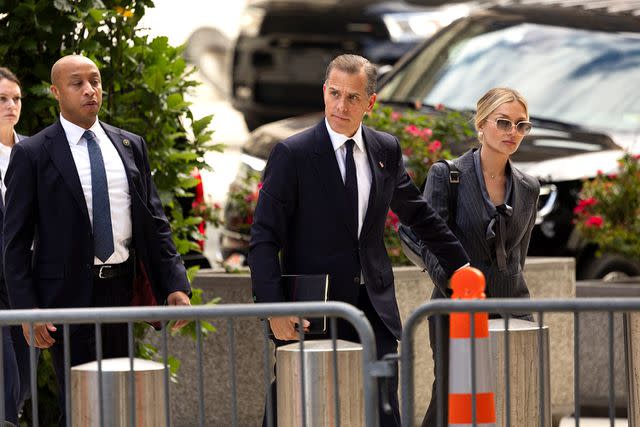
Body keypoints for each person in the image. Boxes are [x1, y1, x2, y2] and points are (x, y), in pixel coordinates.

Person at [249, 54, 470, 427]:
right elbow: (264, 238)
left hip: (374, 310)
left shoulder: (385, 150)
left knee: (382, 412)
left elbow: (417, 213)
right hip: (313, 311)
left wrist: (461, 267)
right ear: (324, 92)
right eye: (334, 93)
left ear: (370, 103)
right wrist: (274, 308)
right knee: (299, 410)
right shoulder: (293, 154)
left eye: (352, 97)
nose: (340, 105)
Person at [2, 55, 192, 421]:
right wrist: (28, 310)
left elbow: (154, 222)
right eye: (78, 84)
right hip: (66, 300)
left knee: (119, 400)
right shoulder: (33, 153)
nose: (90, 90)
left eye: (95, 81)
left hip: (120, 291)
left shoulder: (129, 144)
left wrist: (175, 284)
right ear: (56, 92)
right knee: (80, 405)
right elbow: (14, 244)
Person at [420, 87, 540, 427]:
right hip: (454, 307)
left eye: (521, 125)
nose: (512, 132)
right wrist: (461, 292)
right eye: (503, 123)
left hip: (512, 310)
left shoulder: (529, 187)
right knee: (449, 401)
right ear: (481, 124)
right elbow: (432, 246)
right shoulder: (448, 176)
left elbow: (519, 255)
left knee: (511, 400)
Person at [0, 66, 36, 424]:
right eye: (2, 98)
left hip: (25, 284)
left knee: (24, 383)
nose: (11, 105)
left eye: (16, 98)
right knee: (5, 386)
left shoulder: (33, 150)